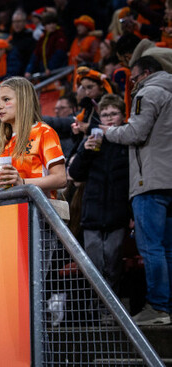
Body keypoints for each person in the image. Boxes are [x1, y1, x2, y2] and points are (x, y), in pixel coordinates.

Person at [101, 56, 172, 325]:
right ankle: (167, 308)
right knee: (167, 249)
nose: (131, 84)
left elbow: (135, 134)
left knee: (151, 248)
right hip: (169, 183)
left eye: (134, 78)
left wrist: (107, 132)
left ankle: (157, 308)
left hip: (151, 182)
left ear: (147, 73)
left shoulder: (148, 92)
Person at [68, 94, 130, 295]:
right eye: (105, 115)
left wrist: (131, 215)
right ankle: (99, 314)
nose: (109, 118)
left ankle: (112, 314)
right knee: (94, 267)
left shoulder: (128, 142)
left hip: (118, 214)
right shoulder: (91, 140)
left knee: (113, 265)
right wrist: (84, 151)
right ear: (99, 118)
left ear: (123, 116)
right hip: (92, 213)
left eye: (114, 113)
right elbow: (75, 174)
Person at [0, 77, 67, 196]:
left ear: (24, 100)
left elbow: (60, 178)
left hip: (38, 211)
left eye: (6, 99)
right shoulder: (4, 142)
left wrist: (22, 182)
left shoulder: (43, 132)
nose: (0, 106)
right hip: (10, 210)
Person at [25, 12, 68, 78]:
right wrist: (29, 70)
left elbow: (59, 54)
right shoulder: (42, 38)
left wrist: (50, 68)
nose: (52, 25)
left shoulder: (60, 35)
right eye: (49, 23)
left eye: (54, 23)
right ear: (44, 25)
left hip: (58, 72)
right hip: (46, 73)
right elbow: (35, 55)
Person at [43, 94, 78, 159]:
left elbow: (57, 122)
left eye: (62, 108)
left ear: (73, 109)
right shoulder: (53, 126)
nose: (57, 111)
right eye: (56, 108)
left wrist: (37, 117)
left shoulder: (76, 120)